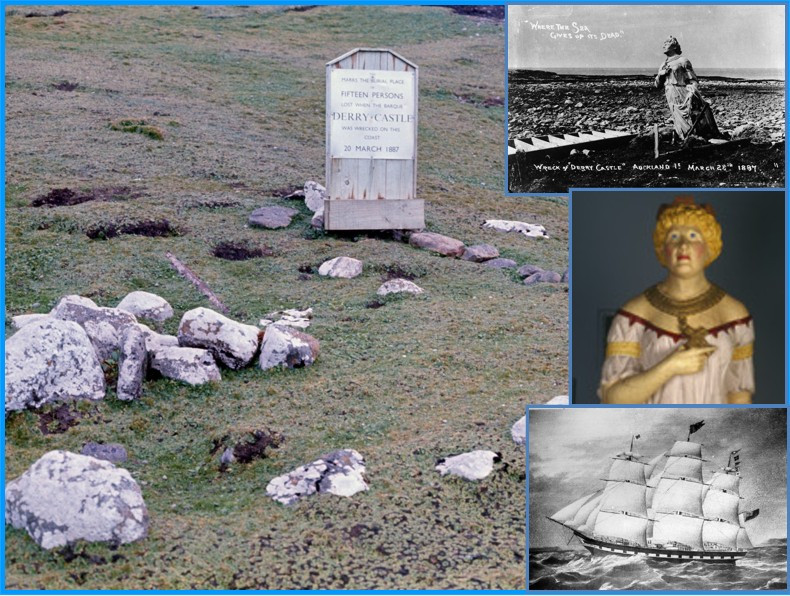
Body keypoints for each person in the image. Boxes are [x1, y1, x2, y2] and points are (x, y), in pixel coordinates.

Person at [599, 197, 754, 404]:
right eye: (674, 237)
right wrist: (670, 366)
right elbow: (613, 398)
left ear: (709, 246)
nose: (683, 245)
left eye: (693, 235)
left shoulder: (735, 314)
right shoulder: (634, 315)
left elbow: (739, 395)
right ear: (662, 249)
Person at [655, 35, 722, 141]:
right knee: (676, 115)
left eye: (666, 43)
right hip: (669, 92)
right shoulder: (663, 64)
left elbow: (693, 80)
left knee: (688, 115)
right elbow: (657, 85)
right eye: (663, 44)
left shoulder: (683, 61)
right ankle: (682, 136)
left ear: (674, 46)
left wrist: (692, 91)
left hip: (682, 92)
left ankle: (692, 137)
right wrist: (661, 74)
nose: (663, 46)